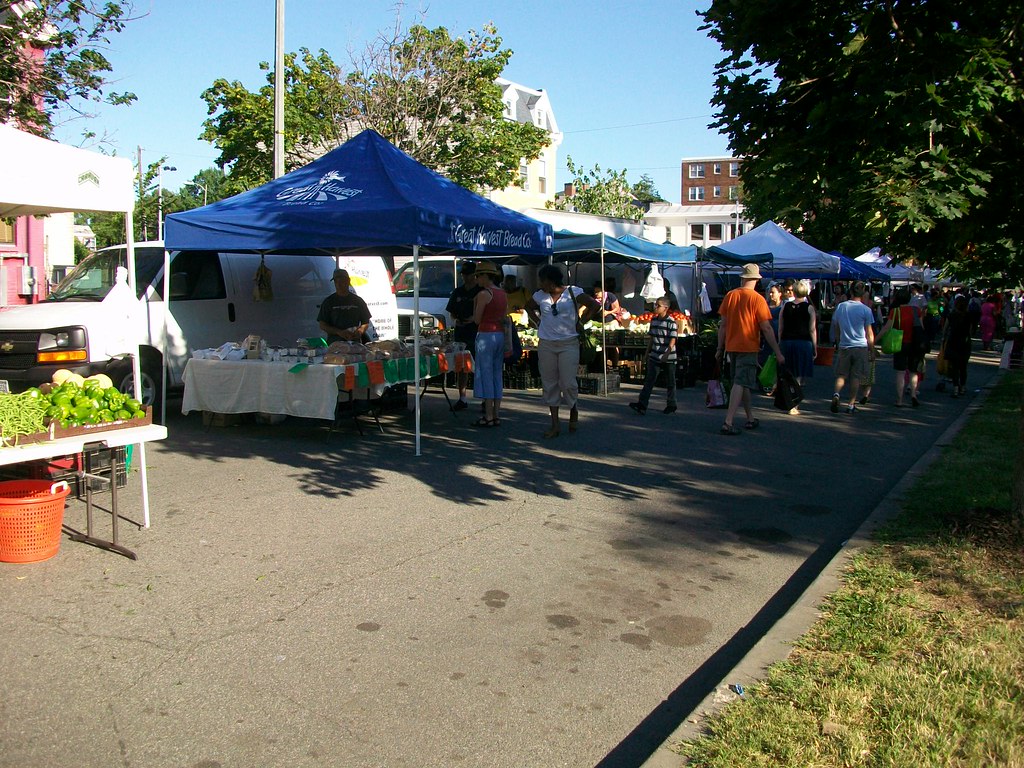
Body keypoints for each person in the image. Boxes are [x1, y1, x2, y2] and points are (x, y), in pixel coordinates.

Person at [525, 264, 601, 439]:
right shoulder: (540, 295)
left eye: (542, 281)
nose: (540, 284)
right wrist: (538, 322)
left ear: (551, 281)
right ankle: (555, 424)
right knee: (549, 383)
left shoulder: (573, 292)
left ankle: (573, 408)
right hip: (546, 344)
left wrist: (581, 321)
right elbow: (528, 307)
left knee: (567, 382)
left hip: (569, 343)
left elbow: (594, 305)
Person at [715, 263, 785, 435]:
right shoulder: (758, 299)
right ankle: (728, 421)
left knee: (741, 381)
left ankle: (750, 418)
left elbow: (723, 325)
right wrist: (777, 352)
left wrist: (719, 347)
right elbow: (766, 328)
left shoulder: (730, 295)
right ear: (756, 279)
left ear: (742, 278)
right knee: (741, 382)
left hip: (732, 346)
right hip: (748, 346)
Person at [470, 261, 508, 427]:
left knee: (485, 373)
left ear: (486, 276)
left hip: (486, 335)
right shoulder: (502, 293)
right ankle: (496, 414)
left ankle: (489, 415)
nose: (477, 279)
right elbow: (504, 316)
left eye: (479, 276)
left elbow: (477, 319)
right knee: (497, 373)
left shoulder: (484, 294)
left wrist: (475, 305)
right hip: (499, 334)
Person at [829, 281, 876, 413]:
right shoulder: (866, 310)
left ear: (850, 291)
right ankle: (851, 404)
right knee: (855, 376)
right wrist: (872, 350)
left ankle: (836, 394)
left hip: (845, 345)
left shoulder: (841, 307)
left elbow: (836, 325)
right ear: (863, 293)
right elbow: (869, 333)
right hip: (860, 346)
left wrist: (838, 341)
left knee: (841, 375)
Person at [628, 296, 678, 415]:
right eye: (655, 305)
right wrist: (647, 353)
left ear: (666, 308)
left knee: (670, 382)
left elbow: (673, 339)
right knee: (649, 380)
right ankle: (642, 404)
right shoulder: (654, 320)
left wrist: (667, 353)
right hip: (655, 355)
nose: (655, 307)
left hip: (669, 357)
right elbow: (652, 338)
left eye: (658, 305)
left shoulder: (671, 322)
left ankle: (671, 404)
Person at [878, 287, 925, 407]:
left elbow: (887, 328)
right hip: (915, 343)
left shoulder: (895, 311)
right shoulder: (916, 310)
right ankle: (913, 395)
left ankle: (899, 400)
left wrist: (875, 340)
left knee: (900, 372)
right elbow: (921, 327)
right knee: (913, 371)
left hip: (900, 343)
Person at [445, 262, 481, 410]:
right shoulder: (457, 292)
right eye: (463, 274)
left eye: (468, 274)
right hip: (461, 332)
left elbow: (484, 312)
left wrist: (474, 318)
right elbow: (451, 311)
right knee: (462, 366)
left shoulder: (480, 291)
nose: (465, 277)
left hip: (477, 332)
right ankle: (462, 398)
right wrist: (456, 320)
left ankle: (484, 399)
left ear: (474, 275)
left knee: (479, 365)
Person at [777, 278, 817, 413]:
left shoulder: (785, 306)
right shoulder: (809, 308)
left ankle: (788, 400)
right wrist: (815, 347)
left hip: (787, 342)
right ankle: (794, 405)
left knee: (788, 373)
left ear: (793, 291)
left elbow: (780, 327)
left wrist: (779, 342)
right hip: (803, 343)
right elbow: (812, 329)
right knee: (798, 375)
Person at [318, 268, 371, 344]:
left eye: (341, 281)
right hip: (335, 344)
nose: (338, 284)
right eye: (336, 281)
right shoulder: (328, 302)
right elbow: (322, 325)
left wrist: (360, 331)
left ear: (348, 281)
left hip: (355, 344)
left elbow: (365, 322)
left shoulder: (358, 301)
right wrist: (339, 332)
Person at [942, 294, 972, 397]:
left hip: (953, 341)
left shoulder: (952, 315)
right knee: (963, 367)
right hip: (964, 342)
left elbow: (945, 328)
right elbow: (970, 330)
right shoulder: (968, 316)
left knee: (954, 367)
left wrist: (943, 338)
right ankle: (962, 387)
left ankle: (955, 388)